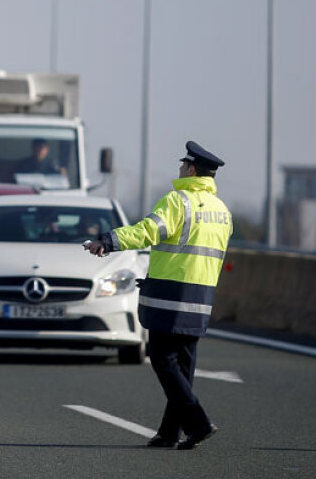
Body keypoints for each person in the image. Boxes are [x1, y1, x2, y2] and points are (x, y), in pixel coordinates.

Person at [86, 141, 232, 450]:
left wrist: (108, 241)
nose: (179, 169)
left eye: (183, 165)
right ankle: (170, 433)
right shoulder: (222, 211)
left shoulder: (178, 201)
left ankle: (197, 422)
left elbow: (147, 231)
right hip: (201, 296)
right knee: (184, 365)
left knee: (163, 359)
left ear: (191, 169)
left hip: (171, 293)